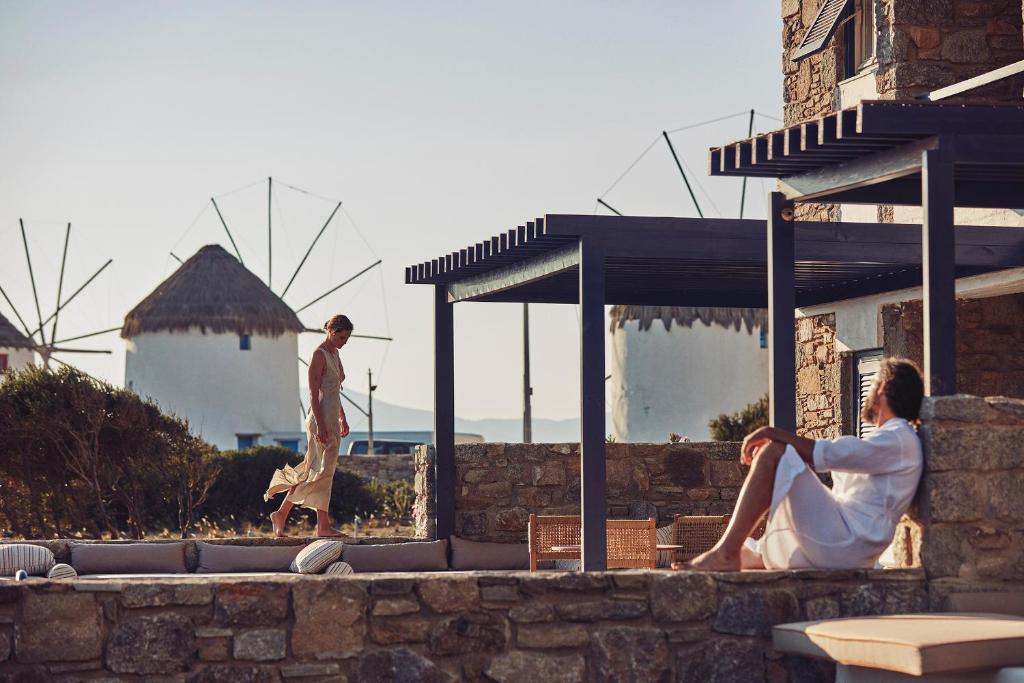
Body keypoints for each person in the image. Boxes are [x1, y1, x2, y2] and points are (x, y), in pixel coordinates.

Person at [676, 357, 924, 571]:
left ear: (883, 387)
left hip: (847, 542)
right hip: (847, 543)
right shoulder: (894, 439)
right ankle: (741, 554)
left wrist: (772, 433)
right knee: (753, 553)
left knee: (776, 453)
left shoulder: (899, 438)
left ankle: (726, 552)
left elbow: (830, 454)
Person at [265, 315, 352, 537]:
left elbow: (334, 391)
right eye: (342, 337)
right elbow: (314, 394)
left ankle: (284, 515)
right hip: (320, 419)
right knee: (322, 470)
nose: (344, 342)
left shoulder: (336, 354)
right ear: (331, 331)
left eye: (347, 338)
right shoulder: (319, 355)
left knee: (318, 470)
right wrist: (321, 426)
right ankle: (321, 525)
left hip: (332, 418)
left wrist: (342, 417)